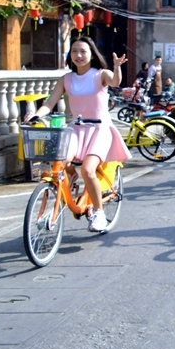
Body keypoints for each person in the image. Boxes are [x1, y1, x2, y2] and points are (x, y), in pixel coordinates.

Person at [24, 36, 131, 232]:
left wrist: (117, 67)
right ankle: (70, 177)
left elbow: (115, 81)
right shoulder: (66, 79)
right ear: (69, 55)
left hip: (100, 129)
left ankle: (98, 214)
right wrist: (35, 116)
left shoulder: (101, 75)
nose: (79, 55)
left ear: (92, 54)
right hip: (76, 129)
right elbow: (49, 103)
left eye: (83, 51)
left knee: (88, 170)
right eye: (74, 51)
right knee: (60, 162)